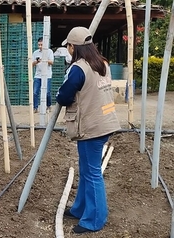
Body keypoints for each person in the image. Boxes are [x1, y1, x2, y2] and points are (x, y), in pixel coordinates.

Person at [56, 27, 121, 234]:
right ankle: (80, 209)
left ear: (74, 47)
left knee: (92, 173)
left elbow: (64, 96)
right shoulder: (102, 63)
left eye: (68, 46)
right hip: (105, 122)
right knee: (86, 170)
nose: (67, 50)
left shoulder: (78, 68)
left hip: (91, 128)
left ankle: (94, 219)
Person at [32, 37, 54, 113]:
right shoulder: (35, 53)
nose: (40, 46)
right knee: (35, 92)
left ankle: (49, 105)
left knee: (47, 92)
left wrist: (44, 60)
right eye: (39, 45)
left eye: (41, 45)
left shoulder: (49, 52)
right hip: (38, 75)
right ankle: (35, 107)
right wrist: (36, 61)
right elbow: (31, 64)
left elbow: (52, 62)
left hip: (47, 75)